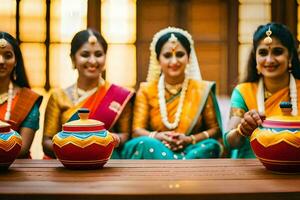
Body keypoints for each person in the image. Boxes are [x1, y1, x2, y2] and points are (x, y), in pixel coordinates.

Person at [122, 27, 223, 159]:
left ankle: (173, 167)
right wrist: (159, 137)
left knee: (211, 145)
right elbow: (136, 131)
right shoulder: (147, 90)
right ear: (158, 59)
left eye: (180, 54)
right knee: (146, 143)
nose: (174, 61)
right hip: (156, 147)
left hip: (191, 149)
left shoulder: (201, 89)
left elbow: (215, 130)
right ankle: (178, 167)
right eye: (167, 55)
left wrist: (189, 139)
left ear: (188, 57)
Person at [42, 29, 134, 159]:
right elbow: (46, 142)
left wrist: (109, 140)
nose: (92, 61)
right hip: (66, 164)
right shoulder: (58, 97)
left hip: (104, 162)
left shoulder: (119, 96)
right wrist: (72, 148)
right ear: (73, 58)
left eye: (98, 54)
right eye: (85, 54)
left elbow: (125, 135)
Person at [224, 22, 300, 158]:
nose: (269, 60)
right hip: (251, 169)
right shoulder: (244, 92)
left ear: (290, 57)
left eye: (278, 52)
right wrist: (242, 130)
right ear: (255, 58)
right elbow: (229, 141)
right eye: (263, 52)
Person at [0, 31, 42, 158]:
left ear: (16, 61)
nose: (1, 61)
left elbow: (22, 149)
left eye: (8, 55)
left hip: (16, 170)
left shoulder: (27, 99)